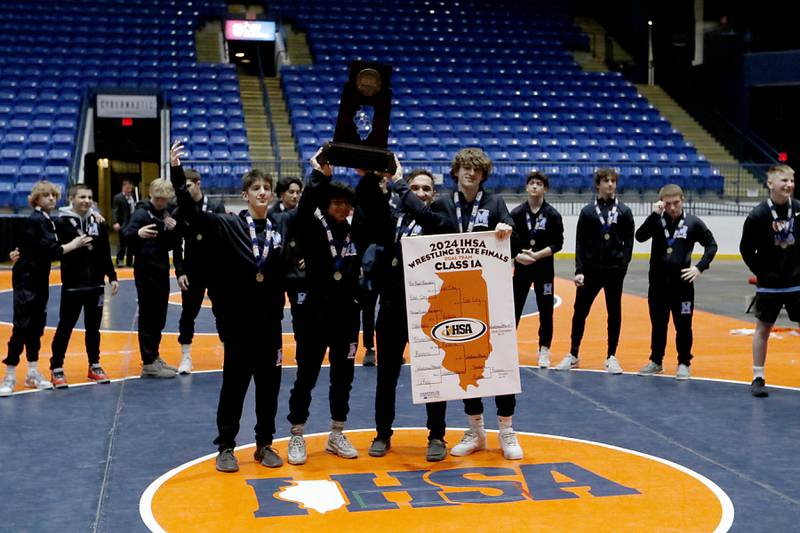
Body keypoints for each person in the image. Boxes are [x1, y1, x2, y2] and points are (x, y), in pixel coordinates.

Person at [170, 142, 287, 472]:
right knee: (234, 386)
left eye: (266, 188)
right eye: (256, 188)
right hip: (239, 324)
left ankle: (265, 445)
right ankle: (226, 446)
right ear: (246, 195)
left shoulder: (280, 228)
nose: (262, 192)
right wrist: (178, 172)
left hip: (270, 324)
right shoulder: (229, 224)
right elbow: (191, 213)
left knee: (269, 388)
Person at [285, 147, 385, 465]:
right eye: (335, 203)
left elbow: (380, 218)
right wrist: (320, 177)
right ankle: (296, 434)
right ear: (327, 205)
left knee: (343, 376)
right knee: (307, 375)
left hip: (346, 316)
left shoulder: (358, 231)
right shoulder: (314, 229)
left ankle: (336, 433)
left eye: (346, 203)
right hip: (315, 313)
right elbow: (303, 211)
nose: (340, 207)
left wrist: (369, 177)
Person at [422, 148, 521, 460]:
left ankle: (507, 430)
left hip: (488, 295)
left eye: (476, 169)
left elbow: (510, 235)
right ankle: (476, 430)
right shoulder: (440, 203)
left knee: (500, 359)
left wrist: (507, 230)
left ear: (483, 175)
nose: (471, 173)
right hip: (452, 296)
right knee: (467, 362)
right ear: (456, 172)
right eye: (465, 168)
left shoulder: (494, 203)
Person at [367, 166, 458, 461]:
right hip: (393, 307)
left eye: (425, 189)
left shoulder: (439, 221)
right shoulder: (395, 220)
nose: (420, 193)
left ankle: (436, 436)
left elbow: (426, 217)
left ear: (434, 195)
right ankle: (382, 433)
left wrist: (401, 186)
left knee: (433, 375)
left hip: (429, 310)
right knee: (386, 375)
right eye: (415, 187)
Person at [0, 181, 92, 397]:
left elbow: (27, 244)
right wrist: (74, 244)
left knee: (36, 326)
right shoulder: (36, 220)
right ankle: (9, 375)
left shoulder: (47, 220)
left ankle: (32, 372)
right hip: (27, 280)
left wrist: (94, 215)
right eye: (46, 195)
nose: (51, 198)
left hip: (39, 279)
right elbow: (52, 251)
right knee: (22, 326)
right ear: (36, 199)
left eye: (53, 195)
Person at [554, 168, 634, 374]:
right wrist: (579, 269)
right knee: (580, 312)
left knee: (614, 313)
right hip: (590, 271)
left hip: (614, 271)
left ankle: (611, 356)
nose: (610, 184)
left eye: (613, 181)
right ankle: (573, 354)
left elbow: (629, 243)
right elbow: (580, 242)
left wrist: (622, 266)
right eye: (606, 181)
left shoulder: (624, 211)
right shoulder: (588, 212)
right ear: (598, 185)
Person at [635, 184, 717, 380]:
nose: (672, 207)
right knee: (658, 324)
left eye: (676, 203)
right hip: (657, 284)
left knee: (683, 325)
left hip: (682, 286)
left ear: (683, 200)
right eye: (668, 203)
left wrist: (699, 267)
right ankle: (656, 361)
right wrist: (654, 215)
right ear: (661, 203)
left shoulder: (693, 223)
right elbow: (639, 237)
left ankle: (683, 363)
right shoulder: (656, 221)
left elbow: (711, 245)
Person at [49, 184, 120, 388]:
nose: (86, 201)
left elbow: (104, 251)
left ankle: (94, 365)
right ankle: (56, 368)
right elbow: (55, 250)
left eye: (89, 197)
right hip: (73, 285)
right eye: (82, 197)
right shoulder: (60, 223)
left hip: (96, 284)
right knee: (65, 327)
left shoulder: (97, 221)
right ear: (72, 198)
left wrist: (112, 275)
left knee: (93, 329)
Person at [740, 164, 800, 397]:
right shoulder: (758, 214)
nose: (789, 185)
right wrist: (762, 273)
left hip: (797, 283)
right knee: (763, 328)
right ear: (770, 184)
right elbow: (746, 249)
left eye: (792, 180)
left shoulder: (798, 209)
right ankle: (758, 376)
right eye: (784, 180)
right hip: (770, 285)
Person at [123, 178, 180, 379]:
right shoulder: (141, 213)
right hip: (146, 272)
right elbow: (126, 234)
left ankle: (154, 356)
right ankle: (148, 362)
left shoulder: (165, 212)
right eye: (158, 199)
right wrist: (138, 233)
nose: (161, 203)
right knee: (148, 317)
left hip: (161, 269)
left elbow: (171, 245)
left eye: (164, 200)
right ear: (150, 195)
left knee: (159, 317)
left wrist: (172, 230)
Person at [172, 168, 226, 374]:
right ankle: (186, 356)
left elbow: (225, 236)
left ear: (198, 183)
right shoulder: (180, 211)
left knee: (222, 312)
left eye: (188, 186)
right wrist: (179, 271)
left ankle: (227, 350)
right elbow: (176, 245)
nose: (185, 190)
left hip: (217, 269)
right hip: (192, 270)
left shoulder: (215, 206)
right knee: (188, 314)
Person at [509, 171, 564, 368]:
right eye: (531, 183)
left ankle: (544, 350)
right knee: (514, 309)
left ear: (545, 189)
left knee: (546, 311)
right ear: (526, 187)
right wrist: (518, 256)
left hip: (544, 270)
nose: (534, 186)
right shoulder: (515, 213)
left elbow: (558, 244)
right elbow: (509, 242)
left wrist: (537, 255)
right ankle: (507, 349)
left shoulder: (552, 214)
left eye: (539, 184)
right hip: (522, 269)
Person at [112, 178, 137, 268]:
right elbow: (115, 211)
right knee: (122, 243)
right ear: (123, 187)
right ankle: (120, 260)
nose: (129, 190)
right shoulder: (118, 198)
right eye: (127, 188)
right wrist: (115, 222)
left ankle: (130, 261)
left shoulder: (133, 197)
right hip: (123, 224)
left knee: (131, 244)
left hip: (132, 224)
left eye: (130, 188)